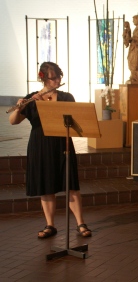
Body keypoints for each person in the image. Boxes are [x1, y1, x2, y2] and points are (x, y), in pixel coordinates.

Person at [9, 62, 92, 238]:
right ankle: (50, 225)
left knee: (71, 185)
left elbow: (66, 119)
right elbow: (13, 121)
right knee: (46, 185)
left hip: (63, 144)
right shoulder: (32, 98)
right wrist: (19, 108)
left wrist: (44, 106)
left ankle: (81, 223)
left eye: (59, 76)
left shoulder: (66, 97)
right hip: (40, 145)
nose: (58, 80)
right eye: (54, 77)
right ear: (44, 78)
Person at [124, 14, 138, 83]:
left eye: (134, 20)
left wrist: (133, 39)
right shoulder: (135, 30)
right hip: (132, 49)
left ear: (137, 20)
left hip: (136, 50)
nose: (133, 21)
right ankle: (133, 76)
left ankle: (137, 77)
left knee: (135, 63)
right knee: (130, 61)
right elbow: (132, 39)